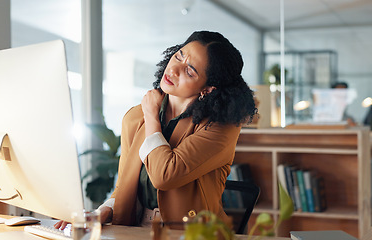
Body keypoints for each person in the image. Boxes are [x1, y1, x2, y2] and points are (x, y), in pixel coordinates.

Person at [55, 30, 257, 230]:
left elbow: (165, 175)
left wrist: (152, 117)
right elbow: (123, 189)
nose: (175, 69)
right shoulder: (134, 118)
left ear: (208, 88)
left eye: (190, 71)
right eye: (179, 55)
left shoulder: (221, 126)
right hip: (136, 229)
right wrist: (100, 213)